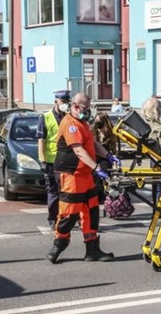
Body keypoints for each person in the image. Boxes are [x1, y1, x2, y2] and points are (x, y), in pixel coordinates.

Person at [46, 93, 118, 264]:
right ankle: (58, 246)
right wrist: (97, 167)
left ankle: (92, 250)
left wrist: (108, 155)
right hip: (72, 176)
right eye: (86, 108)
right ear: (76, 106)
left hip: (85, 176)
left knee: (91, 211)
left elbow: (92, 143)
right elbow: (78, 150)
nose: (88, 112)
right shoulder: (70, 124)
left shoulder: (82, 123)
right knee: (69, 214)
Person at [36, 90, 71, 229]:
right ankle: (52, 219)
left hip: (67, 160)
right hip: (51, 161)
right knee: (53, 192)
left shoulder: (69, 117)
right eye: (63, 102)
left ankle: (65, 217)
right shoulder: (45, 117)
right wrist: (42, 160)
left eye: (67, 102)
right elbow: (41, 140)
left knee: (67, 192)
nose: (65, 104)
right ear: (56, 101)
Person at [92, 112, 119, 203]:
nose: (97, 125)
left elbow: (113, 148)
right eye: (96, 122)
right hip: (94, 157)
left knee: (104, 169)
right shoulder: (93, 132)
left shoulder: (110, 133)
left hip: (105, 159)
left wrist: (115, 160)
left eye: (99, 123)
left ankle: (103, 195)